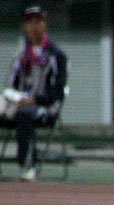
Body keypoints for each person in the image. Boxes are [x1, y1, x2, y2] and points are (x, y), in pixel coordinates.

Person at [1, 6, 67, 182]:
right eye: (29, 22)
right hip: (19, 102)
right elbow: (11, 84)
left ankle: (28, 166)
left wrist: (34, 100)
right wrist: (14, 97)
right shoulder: (21, 55)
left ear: (45, 24)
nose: (33, 26)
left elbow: (57, 92)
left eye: (37, 21)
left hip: (45, 107)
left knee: (24, 114)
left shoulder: (56, 56)